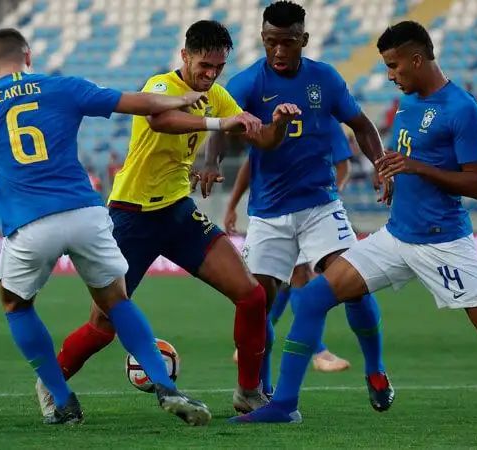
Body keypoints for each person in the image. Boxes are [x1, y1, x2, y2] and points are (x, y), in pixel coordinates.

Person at [230, 21, 477, 427]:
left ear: (417, 60)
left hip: (442, 244)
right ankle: (283, 405)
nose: (390, 75)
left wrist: (415, 167)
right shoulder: (410, 102)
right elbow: (407, 160)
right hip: (396, 237)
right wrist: (392, 178)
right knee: (313, 299)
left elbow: (476, 184)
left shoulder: (462, 109)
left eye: (394, 66)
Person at [0, 28, 215, 426]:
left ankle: (63, 400)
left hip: (30, 225)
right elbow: (134, 102)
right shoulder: (63, 87)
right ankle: (166, 386)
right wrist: (180, 98)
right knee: (117, 300)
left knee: (15, 303)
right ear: (28, 57)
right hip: (86, 213)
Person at [37, 20, 301, 418]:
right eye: (203, 66)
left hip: (177, 212)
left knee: (252, 296)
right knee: (104, 325)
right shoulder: (160, 85)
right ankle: (52, 380)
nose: (210, 75)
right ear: (185, 56)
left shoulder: (217, 95)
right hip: (131, 216)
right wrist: (218, 123)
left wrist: (277, 124)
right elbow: (162, 119)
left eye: (217, 68)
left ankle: (249, 391)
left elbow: (261, 138)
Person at [201, 1, 394, 408]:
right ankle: (261, 389)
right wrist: (210, 160)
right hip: (268, 214)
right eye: (271, 42)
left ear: (303, 40)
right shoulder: (249, 82)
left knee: (353, 287)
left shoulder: (324, 79)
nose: (279, 51)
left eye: (288, 42)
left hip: (320, 206)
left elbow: (360, 123)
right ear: (262, 40)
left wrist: (380, 164)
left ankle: (375, 369)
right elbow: (222, 124)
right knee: (259, 305)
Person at [225, 119, 354, 373]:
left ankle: (250, 344)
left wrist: (330, 197)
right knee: (296, 278)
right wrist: (232, 205)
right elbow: (251, 164)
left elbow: (343, 166)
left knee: (290, 279)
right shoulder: (271, 125)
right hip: (275, 214)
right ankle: (319, 352)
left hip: (313, 211)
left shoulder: (325, 121)